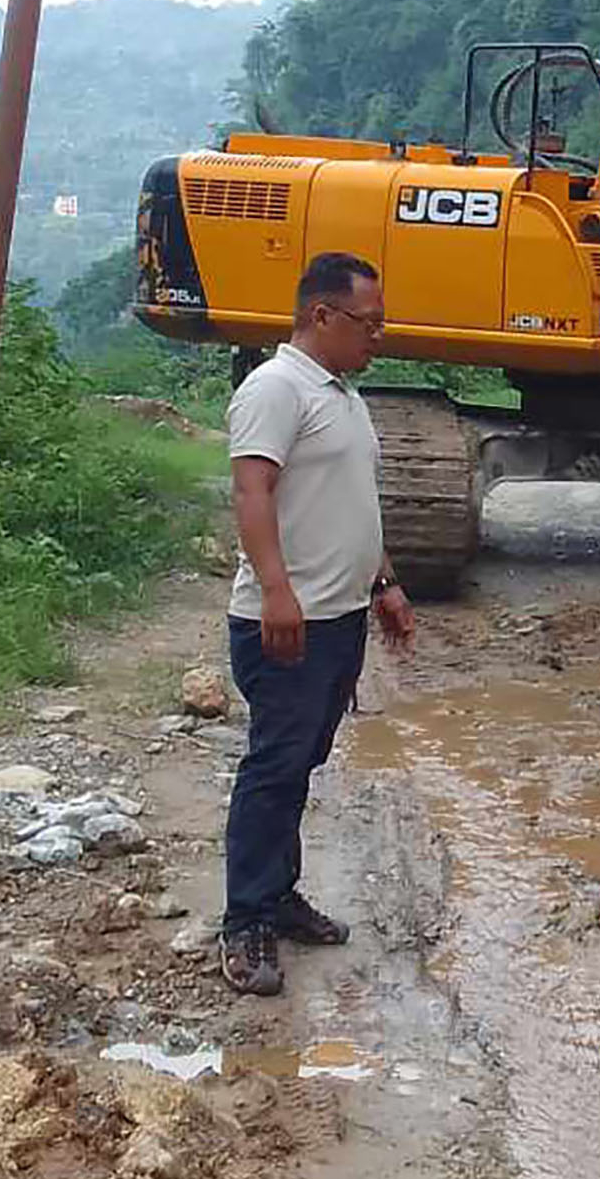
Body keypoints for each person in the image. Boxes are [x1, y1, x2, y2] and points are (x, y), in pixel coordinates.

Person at [218, 251, 415, 996]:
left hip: (340, 617)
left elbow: (351, 505)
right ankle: (245, 922)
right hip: (287, 622)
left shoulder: (344, 396)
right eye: (368, 323)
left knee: (300, 762)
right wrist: (276, 591)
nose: (378, 337)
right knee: (273, 768)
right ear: (322, 316)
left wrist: (386, 583)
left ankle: (279, 893)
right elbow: (251, 492)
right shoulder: (276, 389)